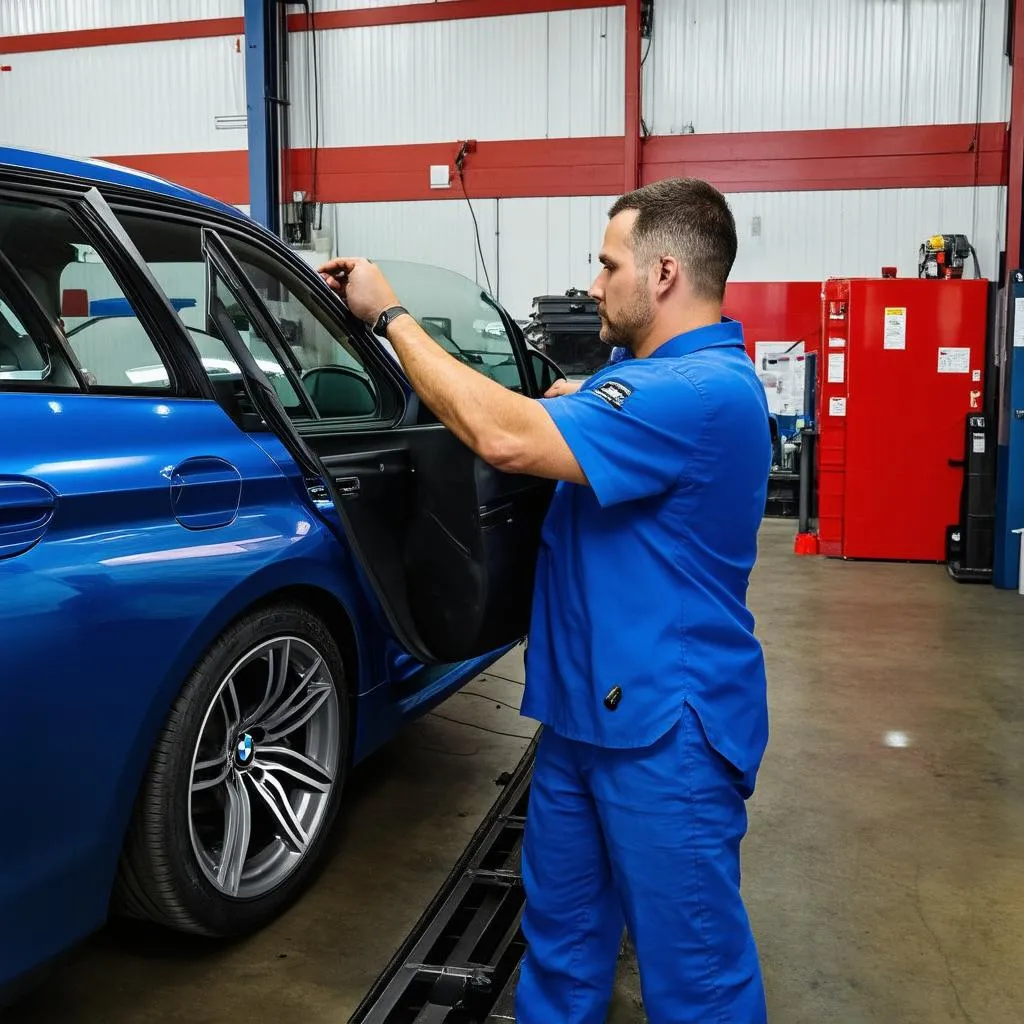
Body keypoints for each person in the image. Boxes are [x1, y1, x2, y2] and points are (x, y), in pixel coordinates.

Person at [320, 176, 771, 1024]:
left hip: (665, 735)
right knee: (560, 951)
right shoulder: (647, 382)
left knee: (698, 983)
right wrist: (561, 396)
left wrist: (390, 317)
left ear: (665, 273)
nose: (593, 284)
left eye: (607, 266)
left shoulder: (697, 394)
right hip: (583, 720)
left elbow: (503, 437)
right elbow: (573, 410)